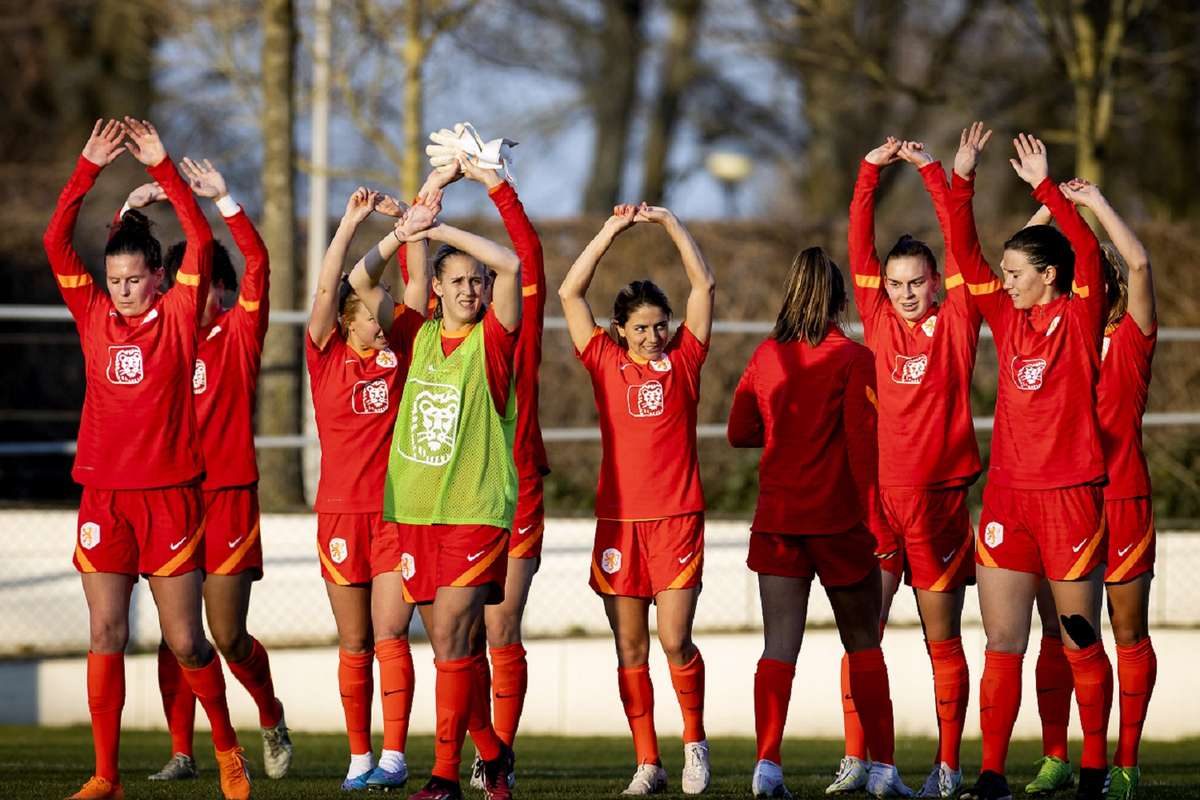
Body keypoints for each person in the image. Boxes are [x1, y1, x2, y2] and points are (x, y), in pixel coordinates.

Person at [45, 118, 251, 800]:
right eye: (115, 278)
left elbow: (197, 235)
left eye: (135, 278)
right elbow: (53, 239)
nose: (124, 289)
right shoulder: (93, 314)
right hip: (104, 495)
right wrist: (86, 169)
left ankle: (224, 746)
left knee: (188, 641)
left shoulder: (182, 312)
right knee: (105, 628)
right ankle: (106, 776)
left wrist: (165, 170)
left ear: (158, 277)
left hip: (170, 496)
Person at [949, 125, 1113, 800]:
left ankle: (1097, 768)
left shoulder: (1079, 314)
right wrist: (961, 178)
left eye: (1017, 273)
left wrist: (1047, 187)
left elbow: (1087, 254)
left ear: (1049, 276)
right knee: (1002, 641)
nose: (1004, 281)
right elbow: (962, 252)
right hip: (1008, 502)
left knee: (1078, 639)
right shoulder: (1004, 314)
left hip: (1071, 496)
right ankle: (991, 773)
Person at [114, 159, 291, 783]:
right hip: (175, 496)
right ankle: (185, 752)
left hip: (230, 498)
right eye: (201, 282)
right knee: (175, 633)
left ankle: (269, 714)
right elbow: (122, 281)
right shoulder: (163, 333)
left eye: (219, 281)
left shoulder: (238, 335)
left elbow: (260, 268)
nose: (209, 293)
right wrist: (129, 215)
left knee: (226, 632)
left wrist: (227, 202)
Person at [728, 246, 913, 800]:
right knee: (862, 646)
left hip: (779, 520)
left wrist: (788, 435)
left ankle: (767, 766)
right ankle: (882, 770)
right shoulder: (855, 359)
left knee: (778, 648)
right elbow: (862, 451)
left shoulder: (766, 356)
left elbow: (739, 429)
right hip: (836, 522)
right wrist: (875, 522)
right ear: (837, 299)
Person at [837, 137, 986, 798]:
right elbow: (857, 244)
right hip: (879, 503)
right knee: (863, 632)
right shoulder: (874, 314)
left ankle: (948, 764)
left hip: (940, 499)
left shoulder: (957, 319)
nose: (903, 293)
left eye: (915, 282)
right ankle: (860, 759)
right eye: (895, 284)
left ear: (935, 282)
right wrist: (869, 170)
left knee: (940, 635)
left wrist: (934, 172)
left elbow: (961, 242)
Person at [559, 202, 715, 796]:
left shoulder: (687, 361)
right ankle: (648, 762)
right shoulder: (602, 361)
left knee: (674, 639)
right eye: (641, 327)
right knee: (630, 645)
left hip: (676, 521)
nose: (652, 336)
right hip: (620, 524)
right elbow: (571, 294)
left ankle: (694, 744)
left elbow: (704, 283)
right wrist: (610, 228)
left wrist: (672, 223)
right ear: (620, 329)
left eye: (660, 325)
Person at [381, 151, 524, 800]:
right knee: (449, 648)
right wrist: (430, 195)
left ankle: (444, 777)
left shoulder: (494, 341)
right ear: (436, 289)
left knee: (457, 637)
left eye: (477, 281)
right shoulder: (415, 335)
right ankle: (491, 753)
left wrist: (439, 231)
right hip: (415, 512)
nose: (472, 289)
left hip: (475, 510)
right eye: (458, 281)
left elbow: (514, 262)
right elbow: (364, 282)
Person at [1022, 180, 1157, 800]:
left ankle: (1125, 764)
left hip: (1122, 497)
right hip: (1067, 498)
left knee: (1127, 634)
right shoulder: (1057, 334)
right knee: (1061, 633)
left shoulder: (1130, 335)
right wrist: (1051, 198)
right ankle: (1058, 756)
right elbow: (1026, 257)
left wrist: (1096, 203)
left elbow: (1139, 261)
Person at [306, 186, 432, 791]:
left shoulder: (399, 353)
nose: (385, 323)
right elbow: (332, 285)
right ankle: (358, 756)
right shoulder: (325, 354)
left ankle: (394, 755)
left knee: (390, 633)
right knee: (353, 640)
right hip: (338, 516)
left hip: (393, 513)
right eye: (373, 316)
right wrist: (355, 221)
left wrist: (416, 229)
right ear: (349, 321)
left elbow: (414, 288)